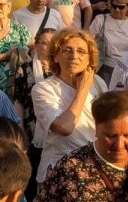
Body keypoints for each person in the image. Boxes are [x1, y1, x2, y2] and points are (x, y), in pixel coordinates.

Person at [31, 28, 107, 183]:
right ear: (56, 56)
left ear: (89, 59)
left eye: (81, 52)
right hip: (60, 173)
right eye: (67, 50)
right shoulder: (44, 89)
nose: (74, 57)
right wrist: (83, 89)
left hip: (93, 169)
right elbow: (64, 127)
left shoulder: (99, 83)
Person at [87, 0, 128, 81]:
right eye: (114, 6)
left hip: (126, 71)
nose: (117, 9)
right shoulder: (100, 20)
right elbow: (88, 42)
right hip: (104, 68)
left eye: (121, 7)